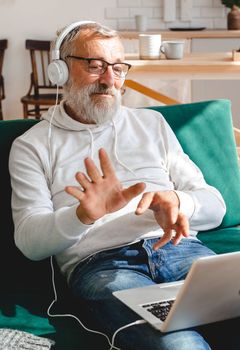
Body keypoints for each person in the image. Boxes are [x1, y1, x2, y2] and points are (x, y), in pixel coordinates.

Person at [9, 21, 236, 350]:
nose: (108, 80)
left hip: (183, 251)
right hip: (104, 266)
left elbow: (216, 205)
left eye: (117, 68)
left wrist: (178, 200)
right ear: (59, 70)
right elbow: (29, 242)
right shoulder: (33, 146)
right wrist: (82, 216)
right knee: (179, 345)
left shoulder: (152, 123)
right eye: (95, 66)